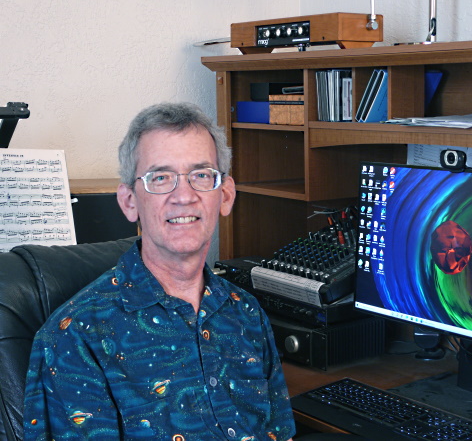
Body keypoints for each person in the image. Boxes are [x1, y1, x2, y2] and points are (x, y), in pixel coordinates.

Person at [23, 102, 296, 440]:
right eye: (161, 178)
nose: (184, 196)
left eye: (201, 175)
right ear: (129, 201)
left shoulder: (246, 312)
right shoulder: (74, 336)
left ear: (225, 196)